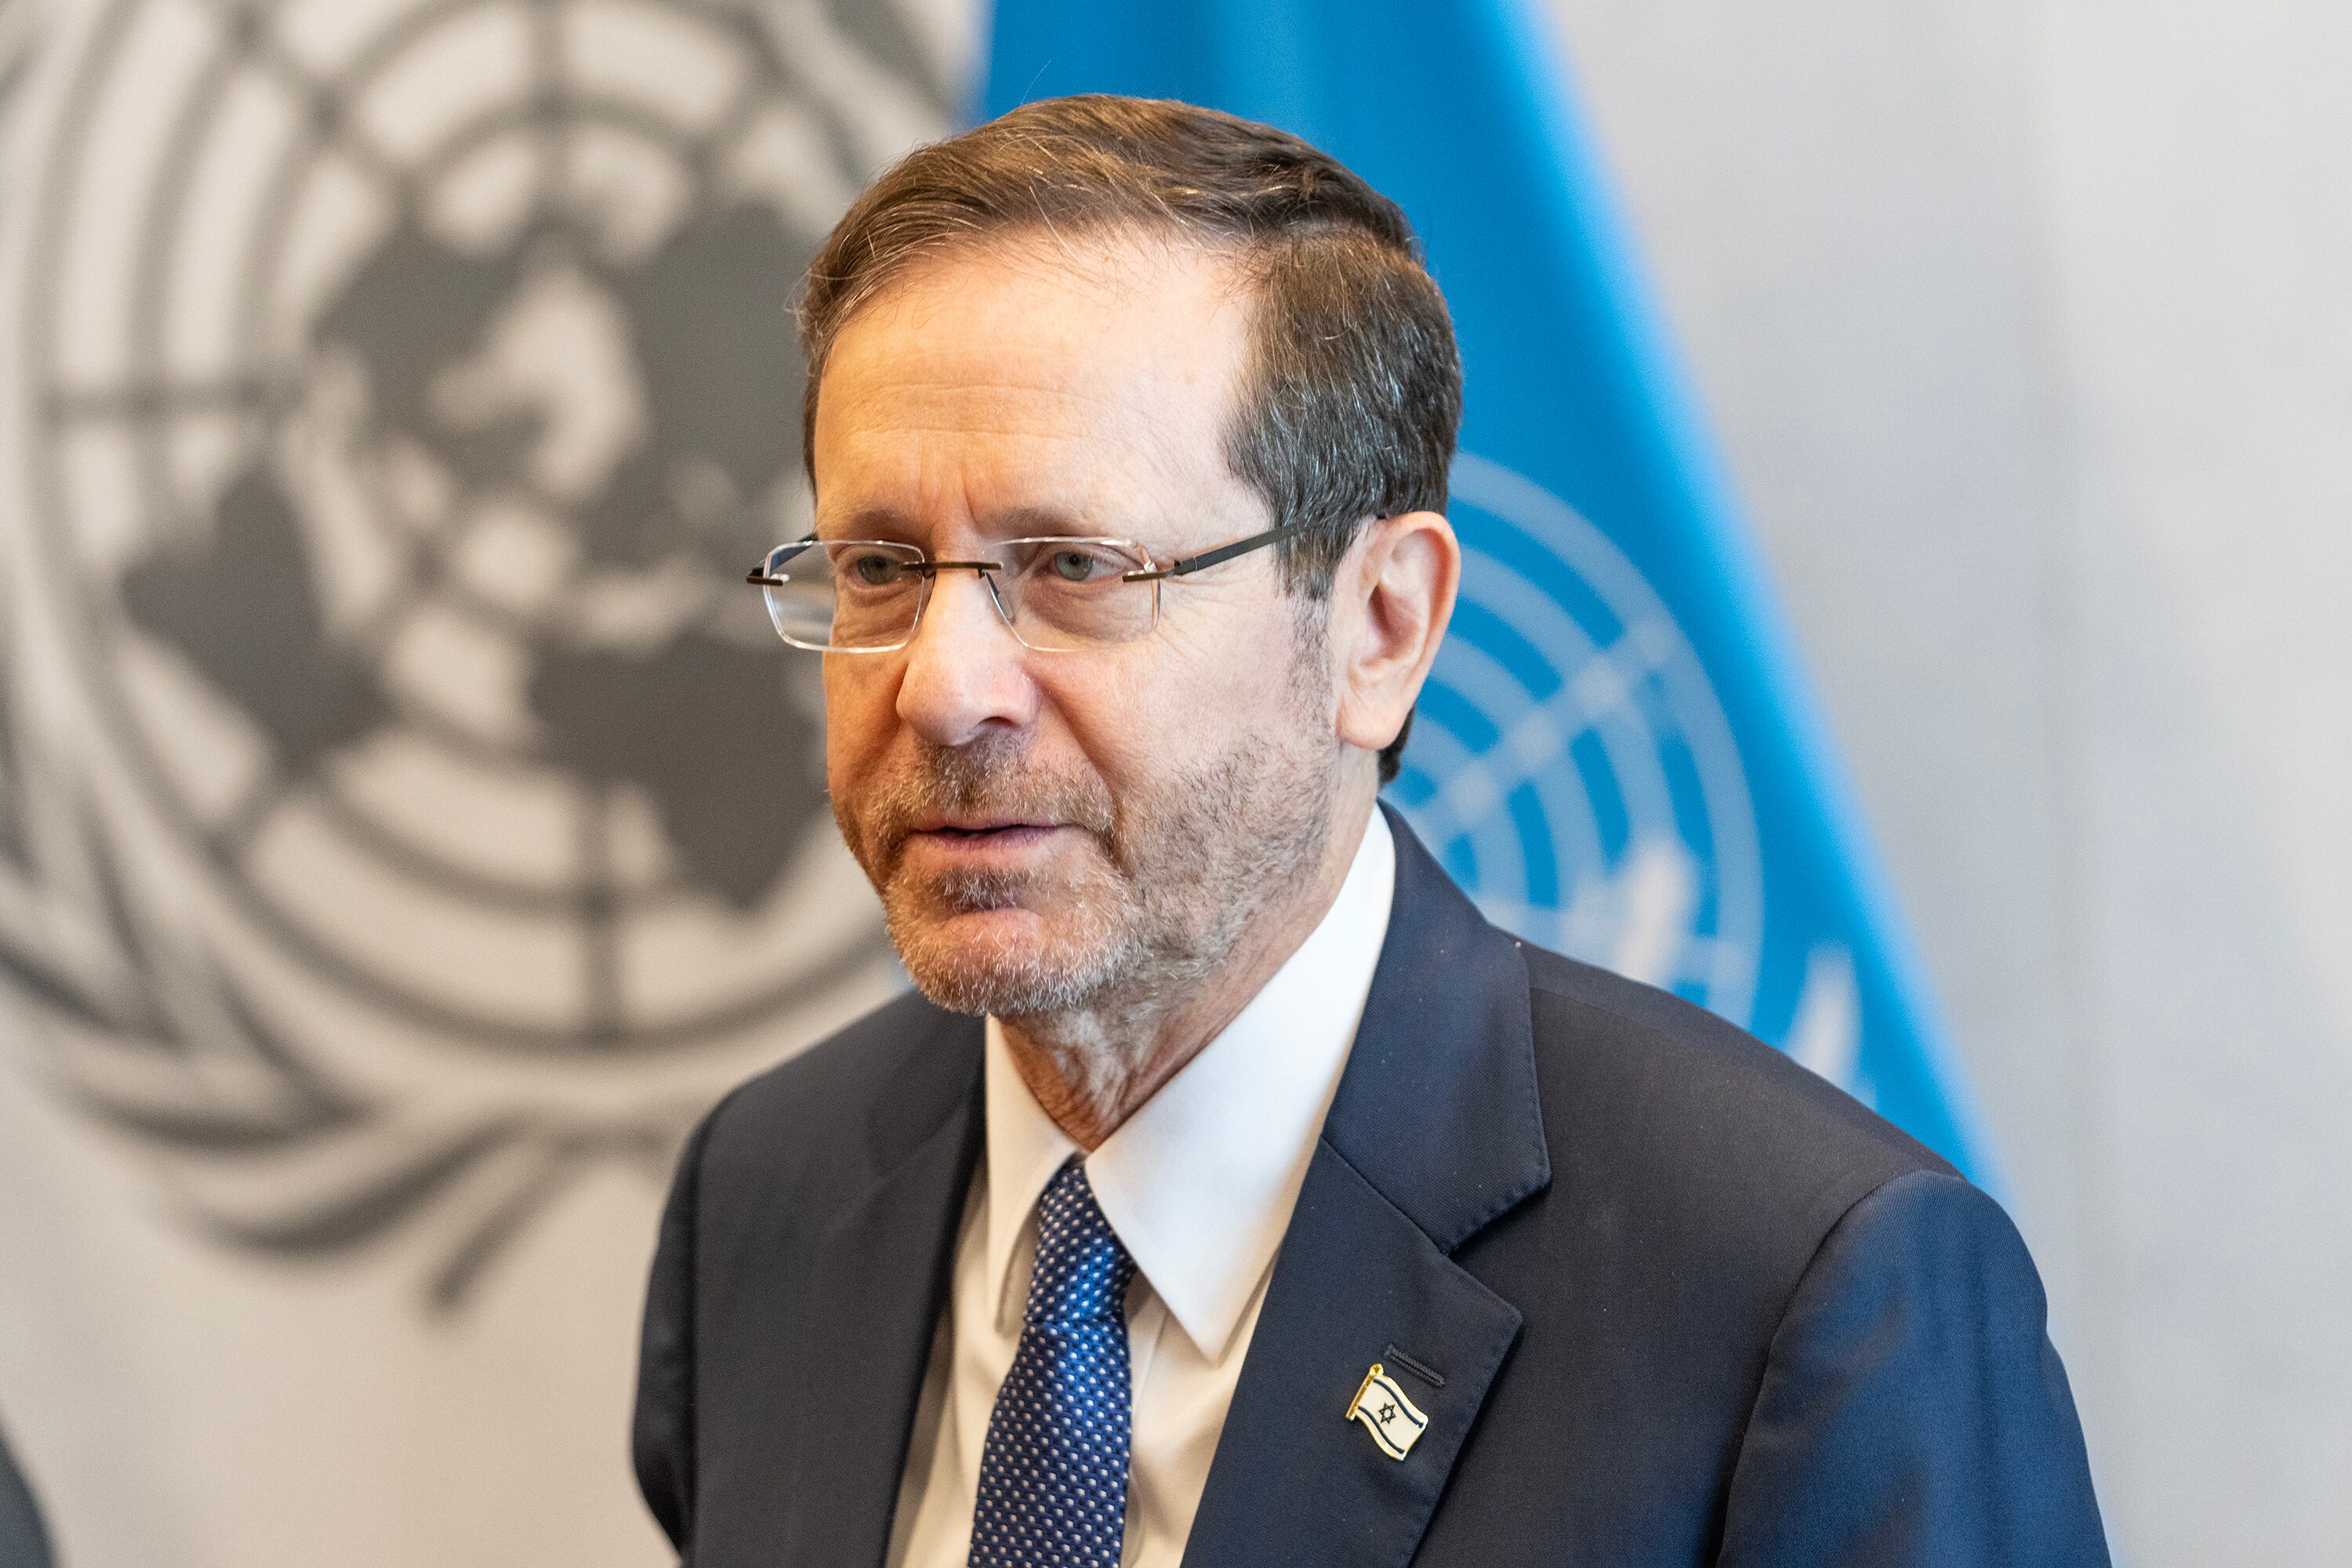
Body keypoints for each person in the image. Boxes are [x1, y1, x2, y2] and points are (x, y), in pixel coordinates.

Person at [632, 95, 2107, 1567]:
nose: (942, 689)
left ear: (1381, 626)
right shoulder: (768, 1194)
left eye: (1078, 566)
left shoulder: (1803, 1292)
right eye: (883, 565)